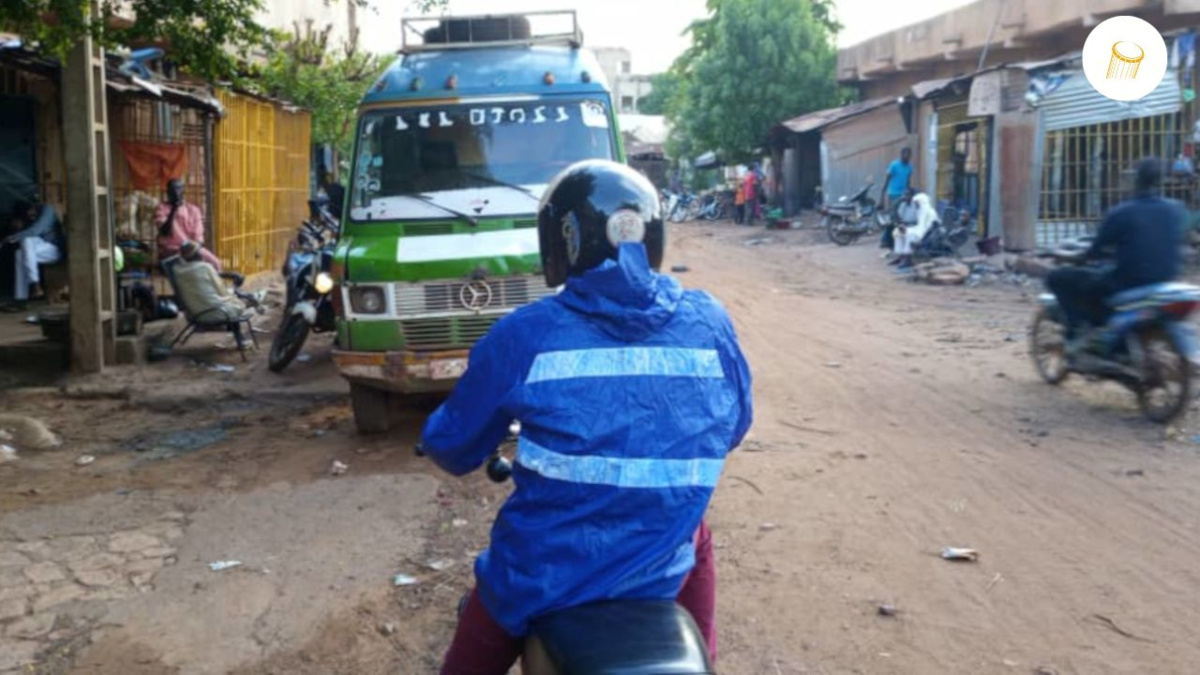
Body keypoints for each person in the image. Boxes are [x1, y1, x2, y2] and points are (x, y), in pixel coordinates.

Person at [421, 160, 753, 675]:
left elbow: (452, 447)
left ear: (563, 242)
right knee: (694, 534)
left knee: (484, 626)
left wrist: (438, 432)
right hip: (659, 569)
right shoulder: (709, 323)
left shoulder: (525, 335)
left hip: (541, 574)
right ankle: (705, 656)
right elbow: (733, 429)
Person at [1047, 158, 1185, 350]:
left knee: (1056, 277)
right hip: (1166, 279)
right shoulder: (1174, 210)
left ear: (1136, 180)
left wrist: (1067, 256)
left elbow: (1093, 252)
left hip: (1127, 283)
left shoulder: (1122, 212)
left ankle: (1076, 330)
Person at [172, 240, 260, 322]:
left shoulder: (177, 270)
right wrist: (233, 295)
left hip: (194, 313)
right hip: (216, 312)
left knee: (236, 298)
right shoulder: (205, 267)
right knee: (239, 303)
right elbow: (221, 291)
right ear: (196, 254)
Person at [2, 198, 63, 312]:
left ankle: (35, 284)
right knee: (19, 254)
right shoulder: (26, 219)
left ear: (33, 207)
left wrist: (9, 239)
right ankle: (22, 299)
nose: (31, 217)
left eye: (31, 213)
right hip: (38, 252)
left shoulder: (47, 210)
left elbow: (35, 230)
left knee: (26, 240)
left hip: (55, 250)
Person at [155, 178, 221, 270]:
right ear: (167, 192)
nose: (175, 192)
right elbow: (164, 231)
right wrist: (173, 210)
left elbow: (199, 237)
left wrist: (193, 249)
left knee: (215, 263)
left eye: (178, 189)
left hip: (191, 250)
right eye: (172, 190)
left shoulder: (193, 210)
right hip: (171, 250)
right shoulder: (162, 208)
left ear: (183, 191)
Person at [891, 192, 938, 269]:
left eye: (917, 202)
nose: (915, 204)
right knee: (897, 232)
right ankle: (900, 256)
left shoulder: (928, 211)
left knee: (909, 235)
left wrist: (910, 231)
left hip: (926, 235)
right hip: (920, 230)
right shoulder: (920, 210)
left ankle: (907, 258)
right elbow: (919, 225)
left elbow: (926, 228)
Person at [880, 148, 914, 247]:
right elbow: (886, 180)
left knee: (901, 218)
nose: (906, 157)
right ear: (901, 155)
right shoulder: (894, 165)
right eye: (905, 154)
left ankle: (894, 240)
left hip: (903, 195)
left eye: (909, 155)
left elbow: (908, 181)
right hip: (893, 194)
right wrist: (882, 196)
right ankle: (885, 240)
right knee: (893, 218)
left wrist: (908, 193)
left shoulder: (910, 167)